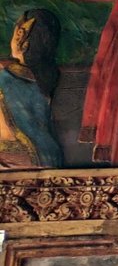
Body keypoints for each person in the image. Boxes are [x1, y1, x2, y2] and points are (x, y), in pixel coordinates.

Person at [0, 9, 63, 168]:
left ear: (21, 38)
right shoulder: (47, 78)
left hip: (17, 158)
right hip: (50, 157)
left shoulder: (4, 78)